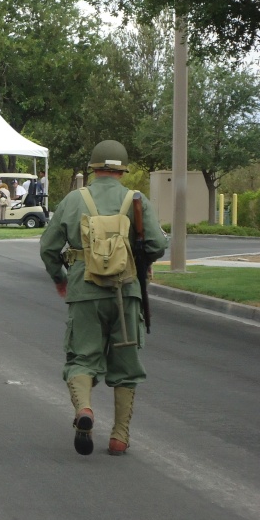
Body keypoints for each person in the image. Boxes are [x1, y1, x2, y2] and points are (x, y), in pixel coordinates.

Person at [39, 140, 167, 457]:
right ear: (122, 170)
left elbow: (47, 248)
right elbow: (157, 245)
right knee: (126, 365)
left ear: (94, 168)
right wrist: (140, 263)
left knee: (82, 358)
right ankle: (119, 437)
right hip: (126, 292)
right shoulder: (136, 200)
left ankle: (84, 409)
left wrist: (60, 278)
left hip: (84, 290)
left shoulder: (73, 200)